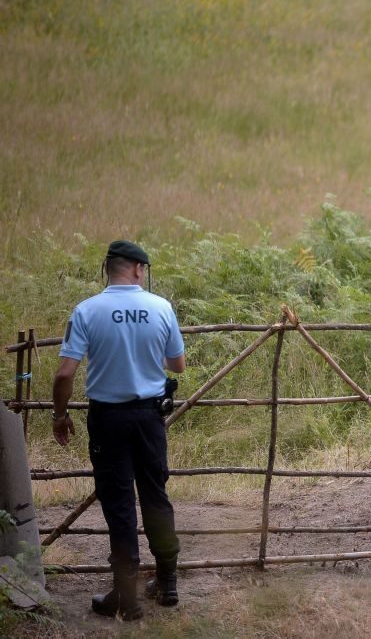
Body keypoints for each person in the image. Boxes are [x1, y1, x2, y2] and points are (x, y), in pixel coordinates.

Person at [51, 240, 185, 621]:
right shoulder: (161, 307)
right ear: (140, 270)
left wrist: (60, 415)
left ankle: (126, 597)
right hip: (149, 418)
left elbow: (64, 373)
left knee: (119, 504)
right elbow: (178, 364)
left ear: (108, 268)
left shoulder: (87, 310)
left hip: (108, 420)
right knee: (156, 496)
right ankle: (167, 582)